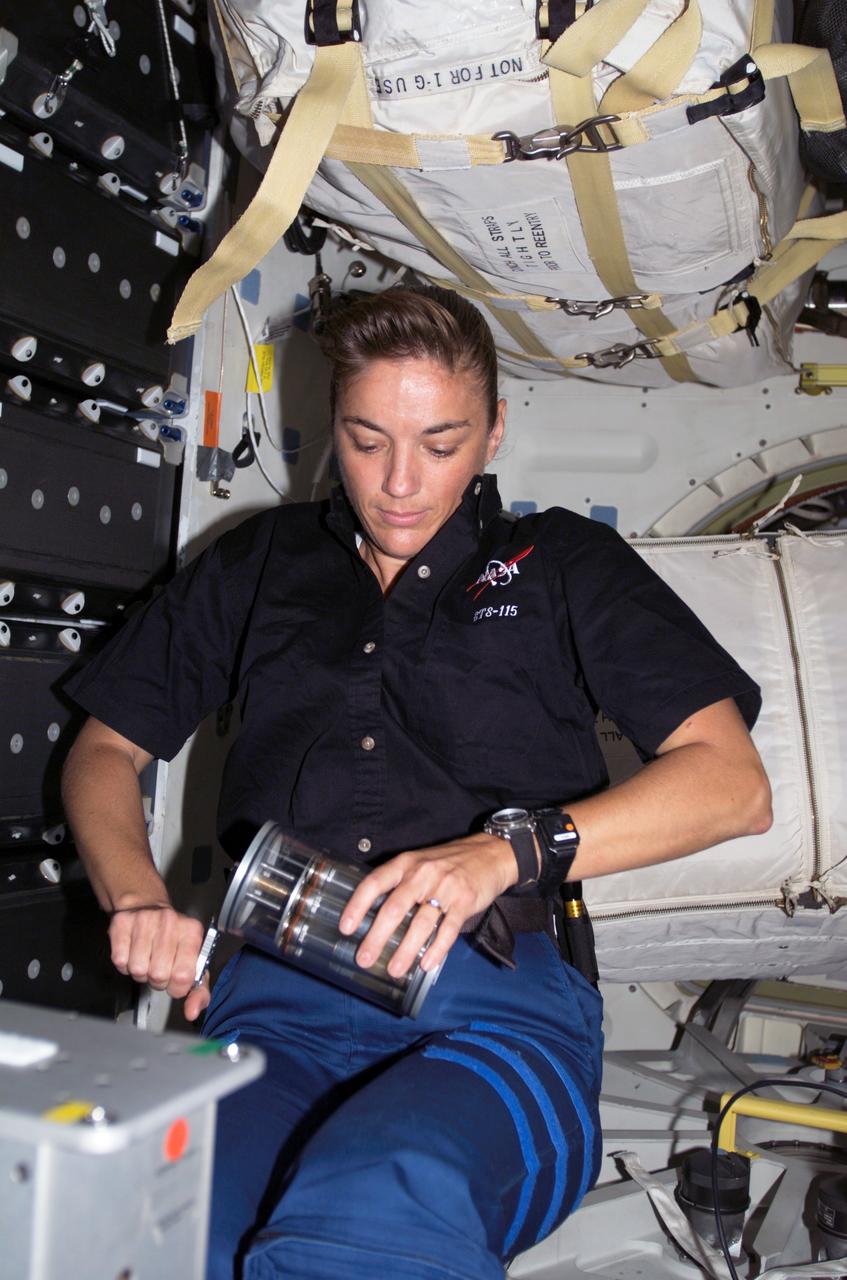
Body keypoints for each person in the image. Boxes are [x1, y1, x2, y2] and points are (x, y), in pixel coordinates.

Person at [61, 285, 772, 1280]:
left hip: (491, 1007)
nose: (399, 482)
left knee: (375, 1201)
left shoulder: (563, 563)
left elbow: (731, 784)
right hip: (270, 1002)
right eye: (365, 439)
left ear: (492, 431)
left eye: (440, 443)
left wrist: (505, 850)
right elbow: (103, 750)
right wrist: (136, 896)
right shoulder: (259, 562)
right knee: (156, 1231)